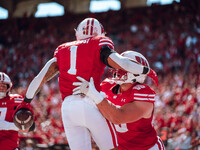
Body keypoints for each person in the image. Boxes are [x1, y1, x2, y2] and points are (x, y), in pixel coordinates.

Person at [15, 18, 157, 150]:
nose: (118, 72)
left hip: (68, 108)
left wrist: (25, 102)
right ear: (100, 33)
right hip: (88, 99)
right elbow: (122, 63)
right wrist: (146, 70)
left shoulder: (62, 49)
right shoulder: (101, 51)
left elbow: (40, 78)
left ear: (78, 33)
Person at [73, 51, 165, 150]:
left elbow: (118, 117)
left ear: (137, 72)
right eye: (118, 65)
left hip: (146, 148)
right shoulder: (107, 85)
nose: (118, 69)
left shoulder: (143, 94)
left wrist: (94, 94)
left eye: (124, 66)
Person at [0, 72, 34, 150]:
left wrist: (7, 125)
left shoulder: (17, 100)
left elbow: (31, 127)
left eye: (3, 86)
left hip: (10, 146)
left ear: (9, 87)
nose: (1, 88)